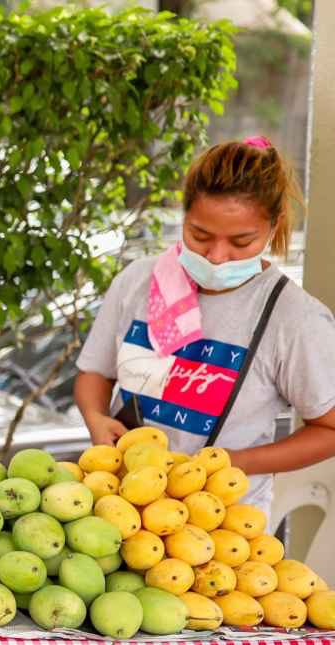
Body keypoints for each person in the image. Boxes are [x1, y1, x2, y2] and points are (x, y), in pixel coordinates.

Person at [74, 137, 335, 514]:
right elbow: (94, 374)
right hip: (116, 506)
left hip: (217, 528)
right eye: (200, 235)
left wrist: (239, 462)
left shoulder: (295, 318)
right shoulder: (138, 281)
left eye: (241, 241)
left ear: (273, 226)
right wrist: (97, 419)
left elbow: (329, 429)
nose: (216, 256)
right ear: (184, 216)